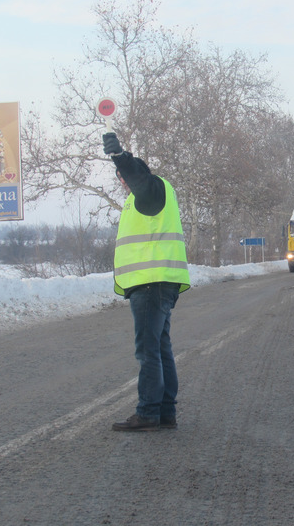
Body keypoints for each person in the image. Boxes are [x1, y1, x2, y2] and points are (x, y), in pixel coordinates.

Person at [103, 132, 191, 432]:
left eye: (124, 177)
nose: (123, 182)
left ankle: (149, 411)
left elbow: (137, 175)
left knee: (148, 350)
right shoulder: (146, 198)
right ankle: (165, 411)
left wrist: (119, 157)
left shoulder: (151, 190)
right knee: (160, 346)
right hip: (159, 283)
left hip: (152, 283)